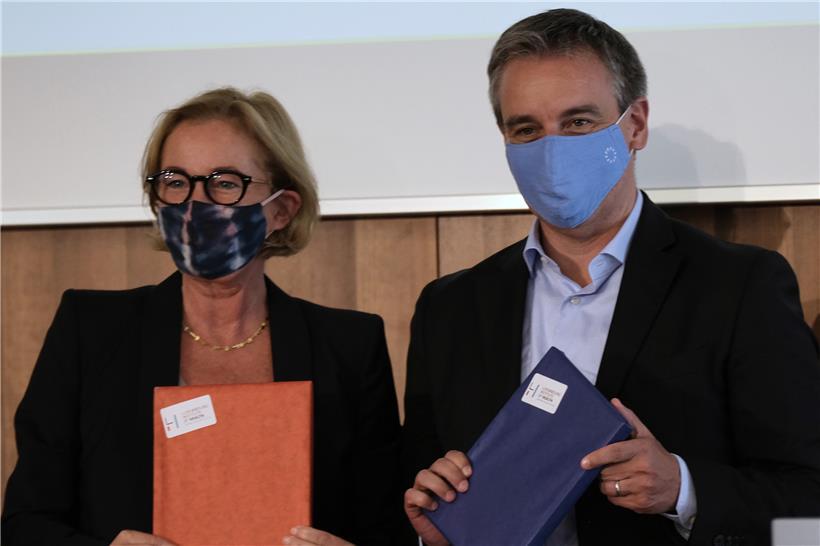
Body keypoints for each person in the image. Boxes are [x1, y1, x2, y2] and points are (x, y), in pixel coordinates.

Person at [401, 8, 820, 546]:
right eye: (526, 129)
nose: (551, 149)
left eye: (578, 122)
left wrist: (683, 489)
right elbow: (418, 491)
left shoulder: (741, 287)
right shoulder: (449, 308)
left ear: (636, 125)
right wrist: (435, 529)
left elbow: (809, 505)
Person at [2, 87, 401, 546]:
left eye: (225, 182)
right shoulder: (90, 331)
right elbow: (25, 524)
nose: (194, 204)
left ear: (282, 211)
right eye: (175, 181)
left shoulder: (348, 346)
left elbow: (383, 529)